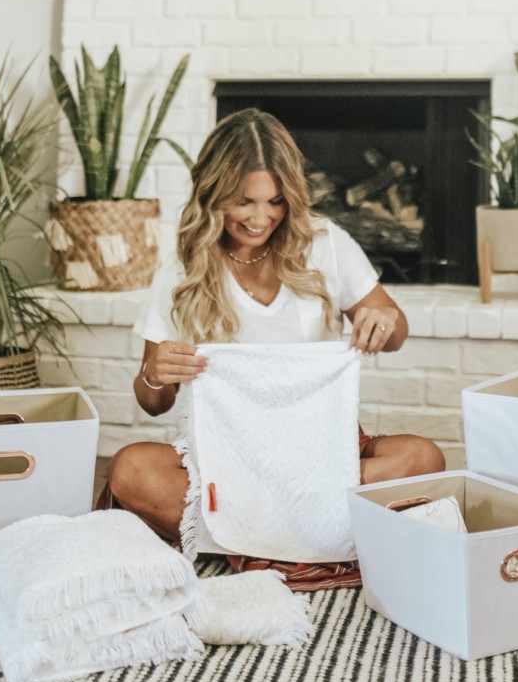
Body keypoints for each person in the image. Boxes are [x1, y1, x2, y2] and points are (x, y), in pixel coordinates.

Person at [106, 107, 445, 580]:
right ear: (213, 194)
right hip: (228, 459)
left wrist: (382, 320)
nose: (261, 218)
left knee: (423, 459)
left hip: (321, 452)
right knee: (130, 470)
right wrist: (155, 371)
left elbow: (397, 330)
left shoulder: (324, 242)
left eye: (276, 202)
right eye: (244, 202)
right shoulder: (184, 267)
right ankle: (311, 534)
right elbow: (153, 402)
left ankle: (250, 536)